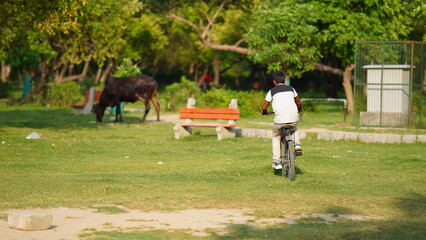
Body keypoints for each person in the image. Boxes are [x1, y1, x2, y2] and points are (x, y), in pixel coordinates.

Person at [262, 70, 303, 170]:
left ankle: (277, 162)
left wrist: (264, 112)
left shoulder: (272, 91)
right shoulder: (291, 89)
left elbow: (265, 105)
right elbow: (298, 102)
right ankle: (297, 144)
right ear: (284, 81)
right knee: (294, 129)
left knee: (276, 136)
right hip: (293, 118)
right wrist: (299, 109)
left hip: (279, 121)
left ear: (274, 82)